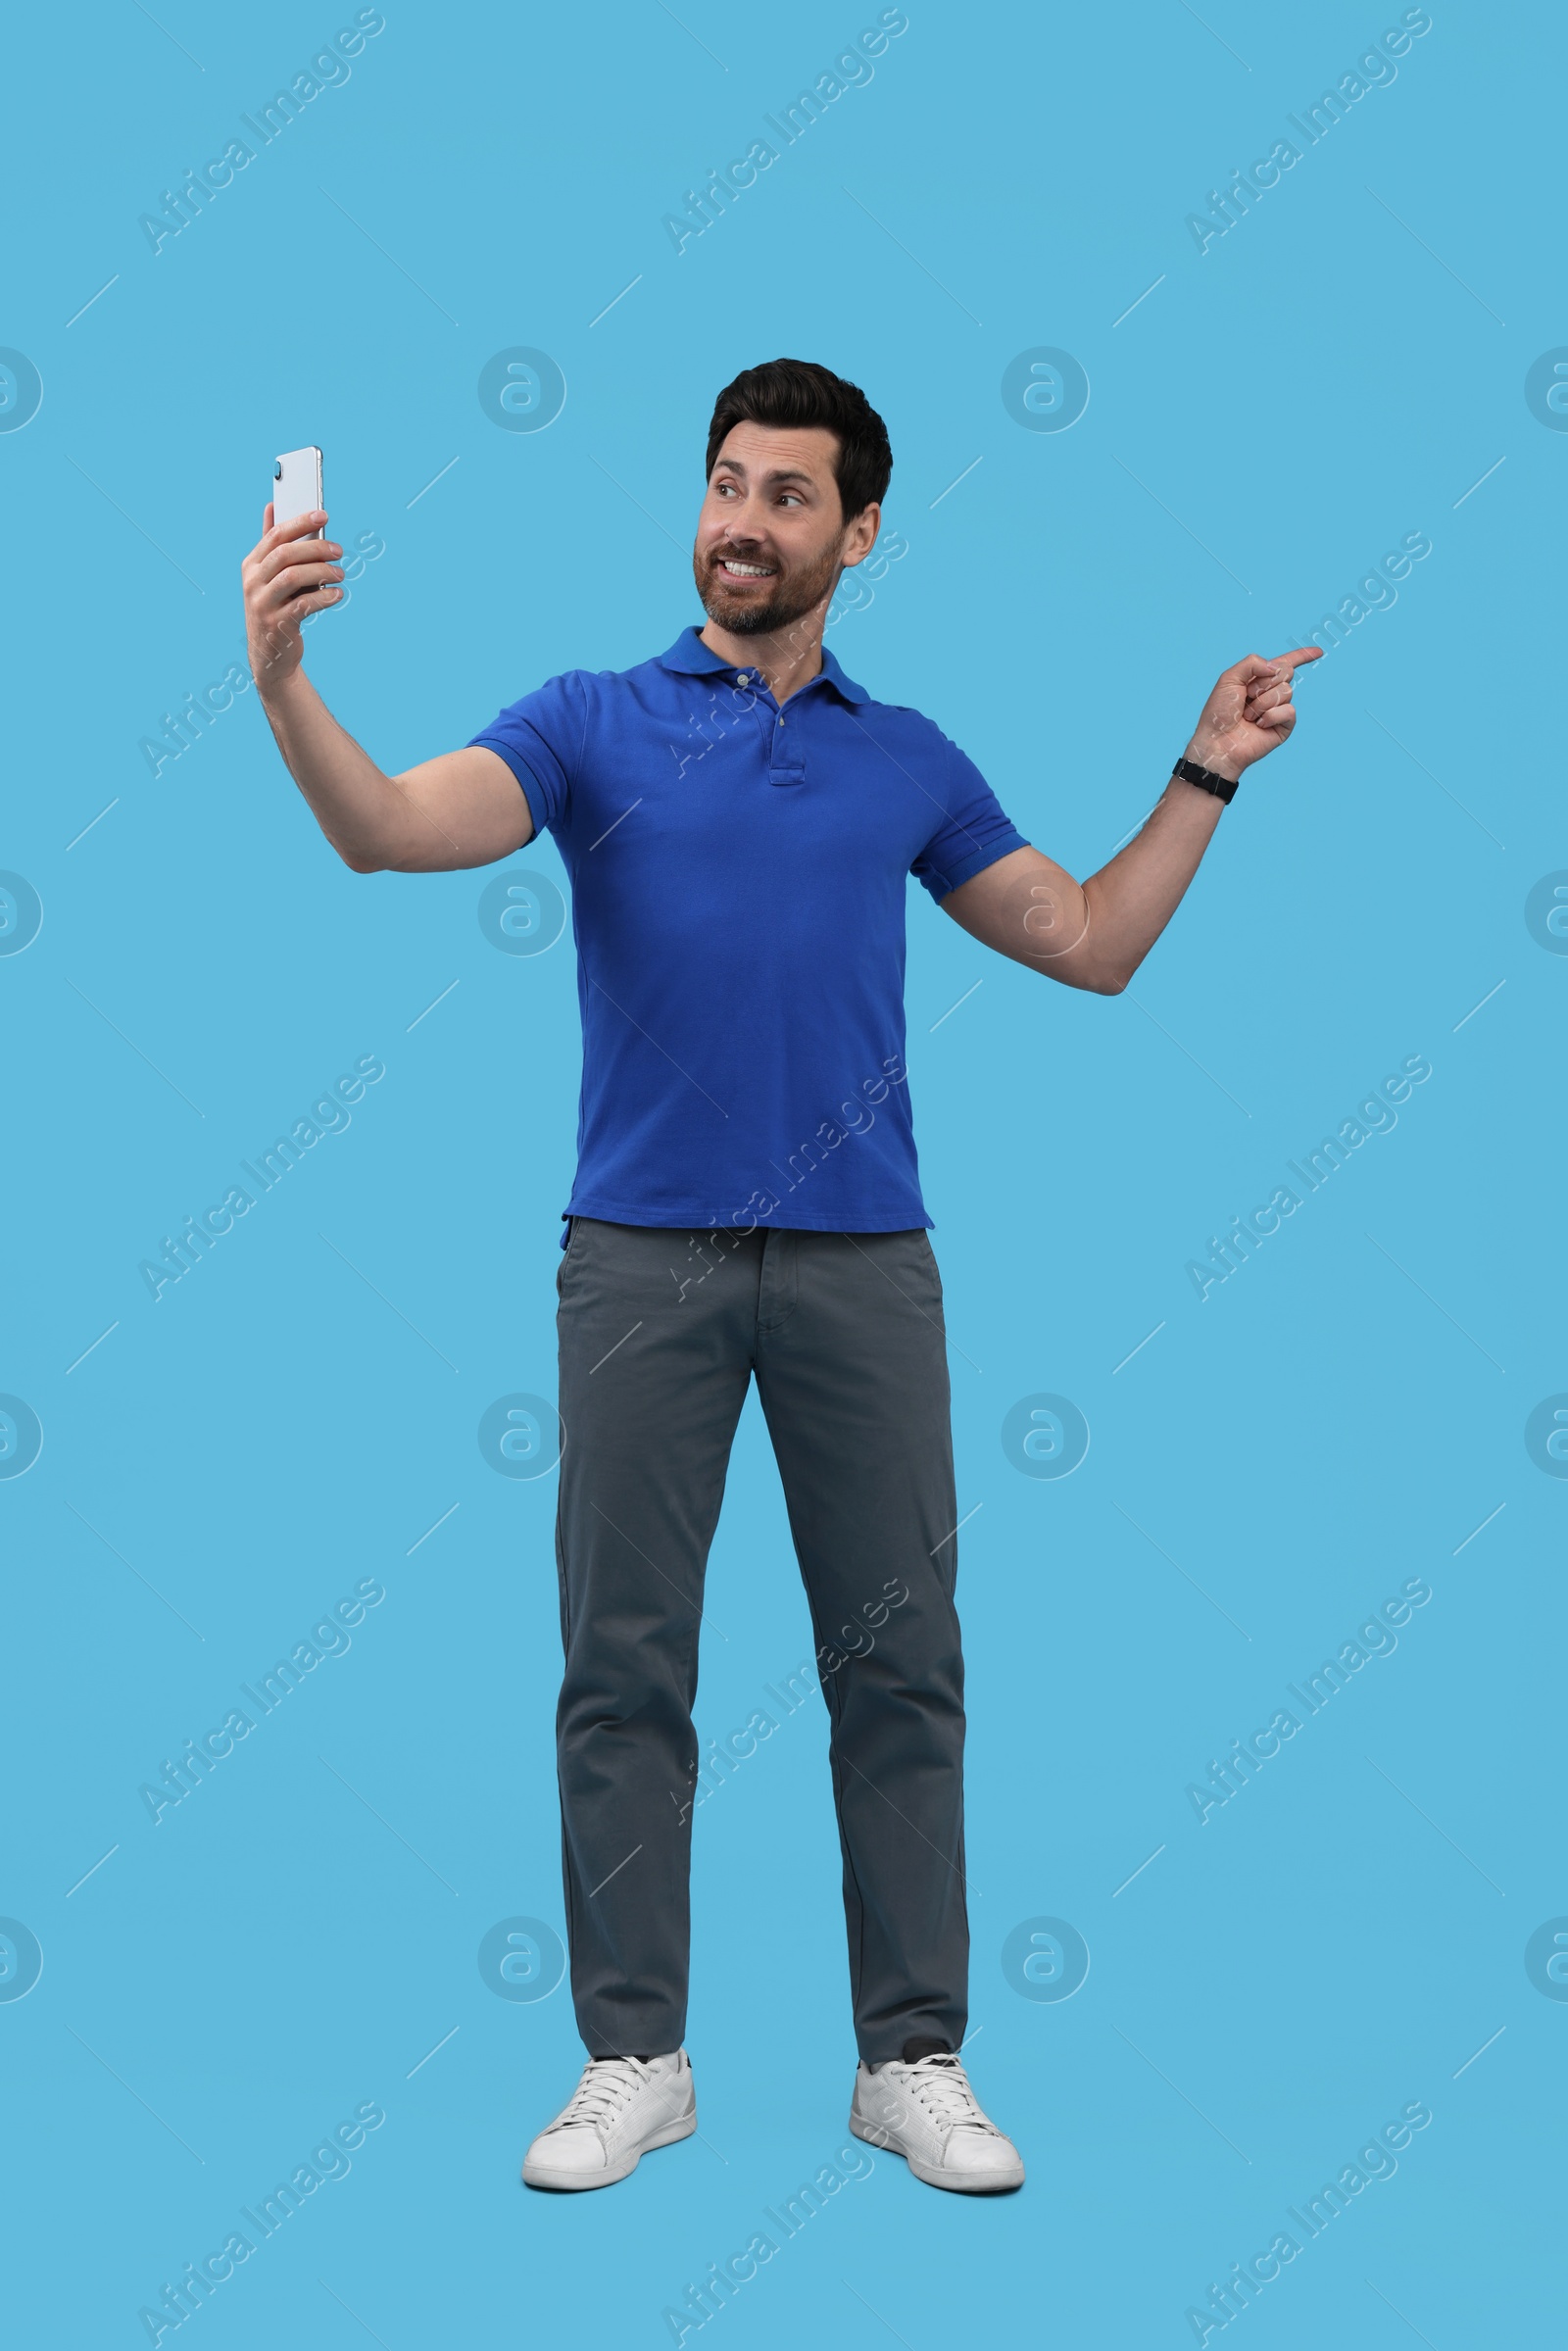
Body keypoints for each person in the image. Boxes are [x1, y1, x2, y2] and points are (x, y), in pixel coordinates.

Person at [241, 357, 1317, 2197]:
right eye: (726, 482)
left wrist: (1205, 770)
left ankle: (912, 2058)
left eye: (787, 494)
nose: (742, 520)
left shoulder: (906, 760)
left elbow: (1089, 943)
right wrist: (282, 682)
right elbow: (388, 830)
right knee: (623, 1666)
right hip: (638, 1262)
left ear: (860, 531)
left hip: (864, 1272)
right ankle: (632, 2058)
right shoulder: (586, 719)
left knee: (904, 1665)